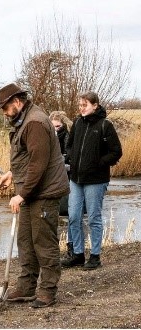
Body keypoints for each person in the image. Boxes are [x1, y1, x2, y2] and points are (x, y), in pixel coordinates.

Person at [0, 83, 70, 308]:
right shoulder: (24, 120)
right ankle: (26, 287)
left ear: (17, 102)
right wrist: (12, 173)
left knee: (44, 243)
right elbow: (27, 157)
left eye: (5, 108)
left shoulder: (35, 122)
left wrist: (21, 194)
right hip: (31, 192)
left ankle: (48, 290)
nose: (4, 113)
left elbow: (39, 164)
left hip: (44, 193)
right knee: (26, 241)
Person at [62, 91, 122, 270]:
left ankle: (95, 256)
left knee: (94, 218)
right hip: (76, 179)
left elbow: (116, 152)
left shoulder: (105, 125)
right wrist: (71, 159)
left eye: (84, 105)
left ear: (95, 105)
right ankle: (77, 254)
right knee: (73, 217)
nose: (81, 108)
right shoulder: (78, 123)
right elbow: (70, 146)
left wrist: (99, 163)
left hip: (96, 180)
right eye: (80, 105)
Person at [49, 111, 73, 257]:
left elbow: (70, 156)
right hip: (54, 179)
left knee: (70, 214)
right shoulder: (48, 136)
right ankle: (54, 249)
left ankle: (71, 247)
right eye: (53, 127)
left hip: (68, 178)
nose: (56, 129)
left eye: (58, 126)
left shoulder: (69, 136)